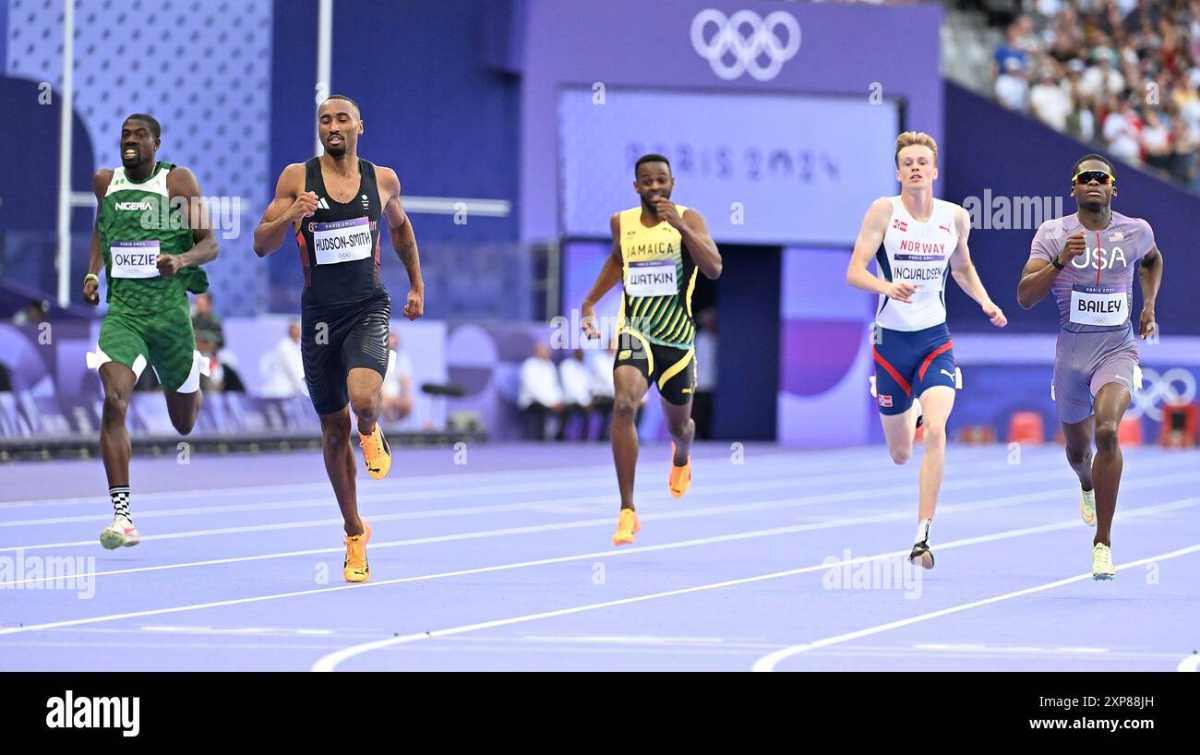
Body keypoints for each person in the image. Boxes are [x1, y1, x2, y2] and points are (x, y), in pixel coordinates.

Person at [253, 95, 425, 582]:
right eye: (324, 119)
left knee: (363, 398)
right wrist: (291, 217)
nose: (332, 125)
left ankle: (370, 430)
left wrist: (416, 283)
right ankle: (354, 531)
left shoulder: (382, 179)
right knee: (332, 431)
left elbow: (403, 231)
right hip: (319, 319)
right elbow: (260, 245)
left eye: (341, 118)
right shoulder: (296, 178)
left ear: (359, 127)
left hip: (368, 309)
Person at [845, 131, 1008, 569]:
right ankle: (906, 407)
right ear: (899, 172)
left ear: (934, 171)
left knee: (936, 431)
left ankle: (922, 536)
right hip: (890, 342)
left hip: (935, 339)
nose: (916, 167)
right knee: (900, 454)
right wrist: (886, 286)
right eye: (908, 162)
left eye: (923, 162)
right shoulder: (884, 211)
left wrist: (986, 301)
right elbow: (855, 271)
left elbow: (963, 268)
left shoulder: (955, 217)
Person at [1017, 154, 1163, 579]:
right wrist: (1060, 261)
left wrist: (1149, 306)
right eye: (1086, 177)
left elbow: (1153, 261)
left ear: (1113, 188)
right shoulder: (1053, 233)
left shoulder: (1137, 231)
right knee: (1079, 451)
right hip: (1071, 356)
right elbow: (1025, 296)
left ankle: (1103, 541)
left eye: (1102, 177)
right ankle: (1085, 481)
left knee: (1108, 431)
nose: (1094, 182)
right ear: (1074, 188)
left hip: (1116, 350)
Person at [81, 113, 219, 549]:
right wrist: (91, 274)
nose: (131, 140)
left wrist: (180, 261)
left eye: (140, 135)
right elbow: (101, 230)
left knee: (183, 423)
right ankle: (123, 517)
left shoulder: (177, 183)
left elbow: (210, 243)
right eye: (125, 134)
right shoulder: (106, 183)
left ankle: (190, 373)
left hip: (169, 318)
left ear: (156, 145)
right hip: (124, 314)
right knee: (113, 402)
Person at [580, 153, 722, 546]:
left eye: (661, 180)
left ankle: (682, 456)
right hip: (636, 332)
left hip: (677, 342)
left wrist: (680, 226)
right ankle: (628, 509)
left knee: (681, 426)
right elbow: (617, 261)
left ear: (672, 183)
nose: (654, 187)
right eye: (647, 181)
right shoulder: (621, 223)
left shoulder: (690, 219)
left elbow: (713, 268)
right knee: (624, 405)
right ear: (636, 186)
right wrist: (589, 303)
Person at [518, 342, 565, 441]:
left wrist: (559, 401)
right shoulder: (529, 365)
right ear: (536, 352)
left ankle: (558, 439)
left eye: (547, 351)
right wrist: (550, 403)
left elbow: (555, 387)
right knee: (542, 410)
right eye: (543, 351)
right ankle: (540, 440)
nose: (547, 353)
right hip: (531, 401)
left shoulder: (550, 366)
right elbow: (533, 390)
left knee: (566, 409)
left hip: (550, 401)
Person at [260, 320, 307, 399]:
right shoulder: (284, 347)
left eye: (299, 329)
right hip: (282, 391)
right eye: (296, 329)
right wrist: (306, 390)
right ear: (291, 330)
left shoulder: (298, 346)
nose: (299, 331)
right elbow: (293, 371)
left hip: (292, 391)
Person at [381, 331, 415, 423]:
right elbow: (379, 383)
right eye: (390, 344)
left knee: (408, 404)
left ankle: (398, 430)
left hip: (397, 395)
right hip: (382, 395)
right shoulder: (378, 358)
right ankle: (386, 432)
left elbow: (406, 381)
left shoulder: (402, 359)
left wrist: (406, 396)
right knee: (385, 403)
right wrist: (388, 397)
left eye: (395, 344)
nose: (393, 346)